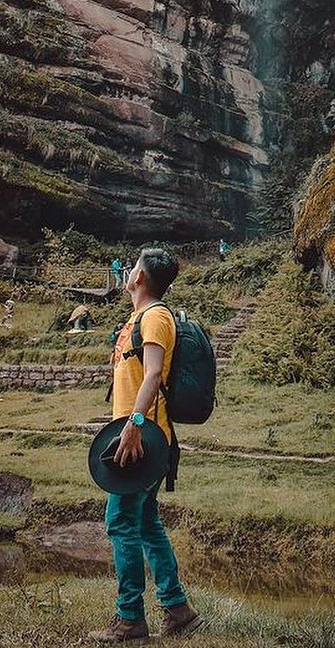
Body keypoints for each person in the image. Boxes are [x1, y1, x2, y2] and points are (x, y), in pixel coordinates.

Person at [89, 247, 201, 643]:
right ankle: (178, 610)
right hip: (140, 436)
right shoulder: (138, 319)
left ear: (139, 277)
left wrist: (134, 425)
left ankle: (130, 619)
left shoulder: (154, 317)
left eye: (133, 266)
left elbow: (153, 374)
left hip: (144, 439)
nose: (128, 270)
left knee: (120, 522)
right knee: (147, 523)